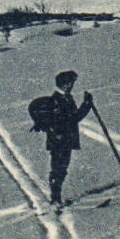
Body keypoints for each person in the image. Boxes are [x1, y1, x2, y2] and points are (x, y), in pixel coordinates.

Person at [45, 70, 94, 207]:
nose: (72, 86)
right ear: (65, 85)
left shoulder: (66, 98)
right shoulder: (56, 100)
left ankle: (56, 197)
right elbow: (72, 119)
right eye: (70, 83)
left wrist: (86, 105)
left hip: (65, 140)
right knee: (58, 169)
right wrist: (86, 105)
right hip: (59, 141)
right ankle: (55, 199)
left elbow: (74, 117)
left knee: (61, 168)